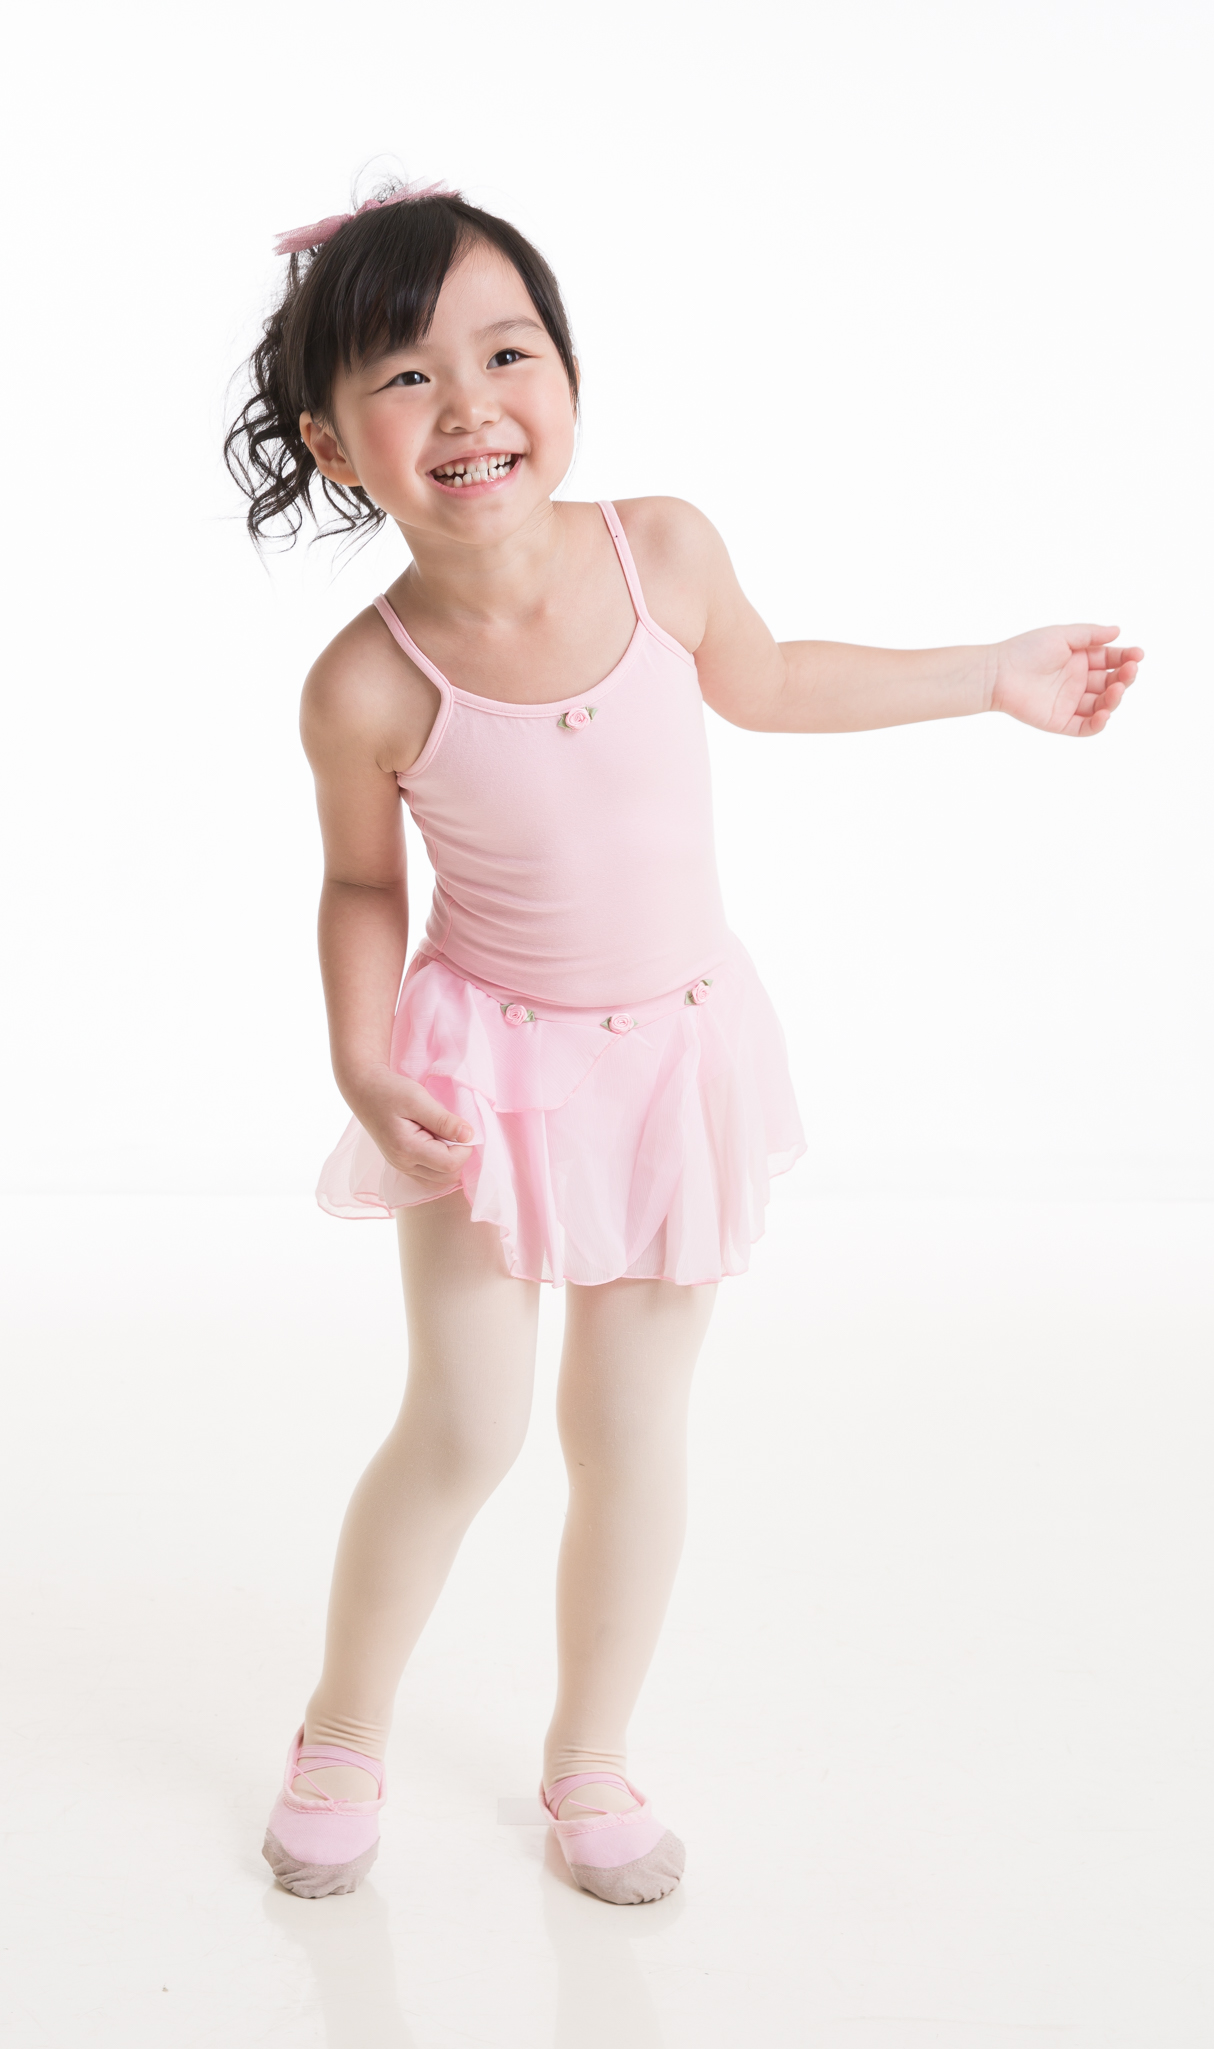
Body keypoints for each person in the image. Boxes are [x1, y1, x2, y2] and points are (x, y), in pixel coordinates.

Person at [224, 181, 1142, 1905]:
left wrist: (990, 672)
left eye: (505, 353)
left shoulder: (661, 551)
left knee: (631, 1428)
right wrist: (361, 1060)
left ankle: (590, 1755)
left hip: (669, 1060)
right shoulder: (366, 681)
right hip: (485, 1076)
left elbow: (773, 681)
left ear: (566, 373)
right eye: (407, 377)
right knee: (466, 1424)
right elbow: (359, 884)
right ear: (335, 445)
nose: (469, 403)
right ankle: (340, 1728)